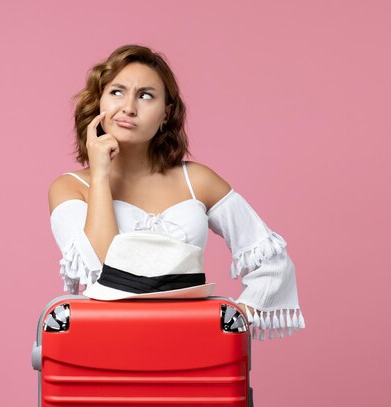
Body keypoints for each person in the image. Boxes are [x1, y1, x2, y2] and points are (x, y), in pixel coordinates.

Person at [48, 44, 304, 339]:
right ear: (99, 102)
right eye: (117, 92)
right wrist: (101, 174)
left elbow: (273, 263)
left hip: (192, 344)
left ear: (166, 113)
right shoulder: (70, 188)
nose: (129, 107)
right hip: (107, 345)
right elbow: (106, 268)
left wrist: (234, 321)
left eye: (146, 95)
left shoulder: (197, 180)